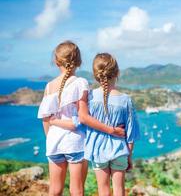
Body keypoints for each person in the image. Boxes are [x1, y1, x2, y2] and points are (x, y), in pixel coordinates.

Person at [37, 41, 125, 196]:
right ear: (79, 61)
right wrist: (111, 130)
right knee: (76, 190)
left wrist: (52, 137)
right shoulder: (81, 83)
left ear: (57, 61)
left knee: (55, 190)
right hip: (75, 142)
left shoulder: (49, 86)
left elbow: (46, 119)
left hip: (53, 142)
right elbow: (83, 118)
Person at [81, 53, 140, 196]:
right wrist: (129, 156)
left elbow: (82, 123)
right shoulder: (126, 100)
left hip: (97, 151)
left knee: (103, 190)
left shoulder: (90, 97)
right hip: (119, 150)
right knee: (119, 190)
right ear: (117, 73)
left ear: (96, 75)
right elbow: (130, 134)